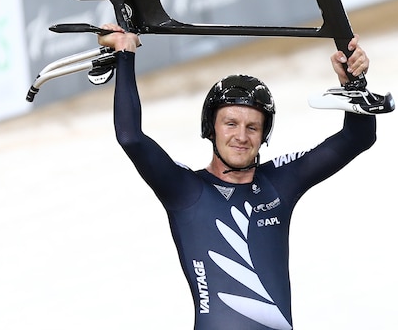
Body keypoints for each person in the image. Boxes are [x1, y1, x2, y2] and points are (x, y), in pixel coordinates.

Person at [97, 23, 378, 329]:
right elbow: (131, 137)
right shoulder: (185, 189)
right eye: (230, 123)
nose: (241, 136)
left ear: (263, 135)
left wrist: (354, 82)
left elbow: (358, 138)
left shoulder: (280, 182)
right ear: (211, 128)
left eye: (252, 127)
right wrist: (124, 54)